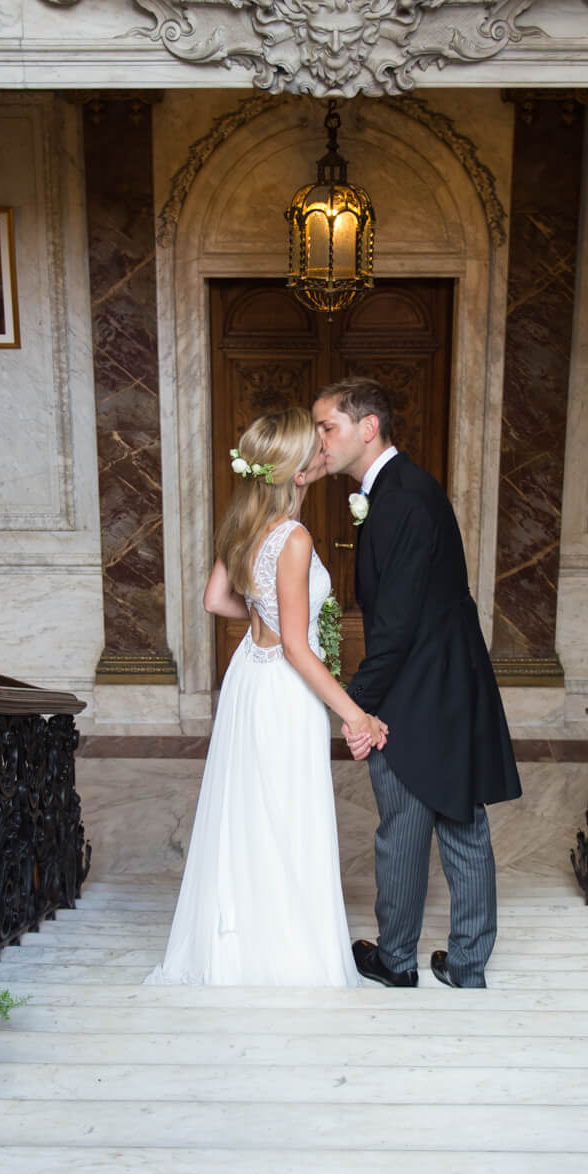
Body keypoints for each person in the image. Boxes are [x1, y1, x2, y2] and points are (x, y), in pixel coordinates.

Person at [144, 408, 384, 987]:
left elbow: (214, 600)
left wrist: (264, 614)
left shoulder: (244, 522)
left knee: (251, 809)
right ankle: (286, 954)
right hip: (280, 684)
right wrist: (356, 714)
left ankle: (240, 947)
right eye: (315, 449)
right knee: (284, 810)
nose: (323, 453)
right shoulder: (294, 537)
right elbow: (300, 651)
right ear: (297, 473)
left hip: (247, 673)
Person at [312, 378, 521, 990]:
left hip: (418, 686)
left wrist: (356, 708)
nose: (321, 441)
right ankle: (466, 964)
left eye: (329, 428)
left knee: (404, 823)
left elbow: (396, 625)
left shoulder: (399, 498)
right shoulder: (408, 489)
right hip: (450, 681)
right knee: (460, 819)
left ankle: (397, 959)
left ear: (368, 427)